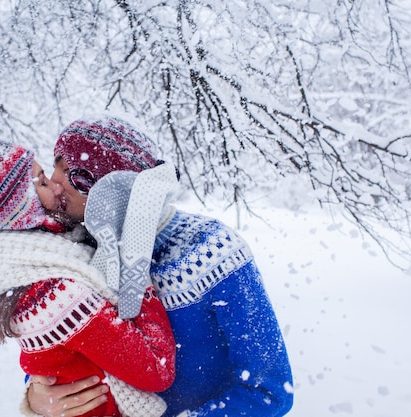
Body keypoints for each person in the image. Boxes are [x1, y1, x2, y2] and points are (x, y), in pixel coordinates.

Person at [26, 116, 294, 417]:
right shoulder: (78, 257)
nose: (55, 184)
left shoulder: (212, 250)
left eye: (72, 174)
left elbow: (269, 390)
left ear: (116, 188)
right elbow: (55, 353)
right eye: (56, 167)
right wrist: (36, 397)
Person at [0, 135, 176, 417]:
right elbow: (157, 369)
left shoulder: (28, 274)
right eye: (43, 182)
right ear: (20, 207)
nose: (58, 187)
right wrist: (137, 275)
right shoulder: (57, 295)